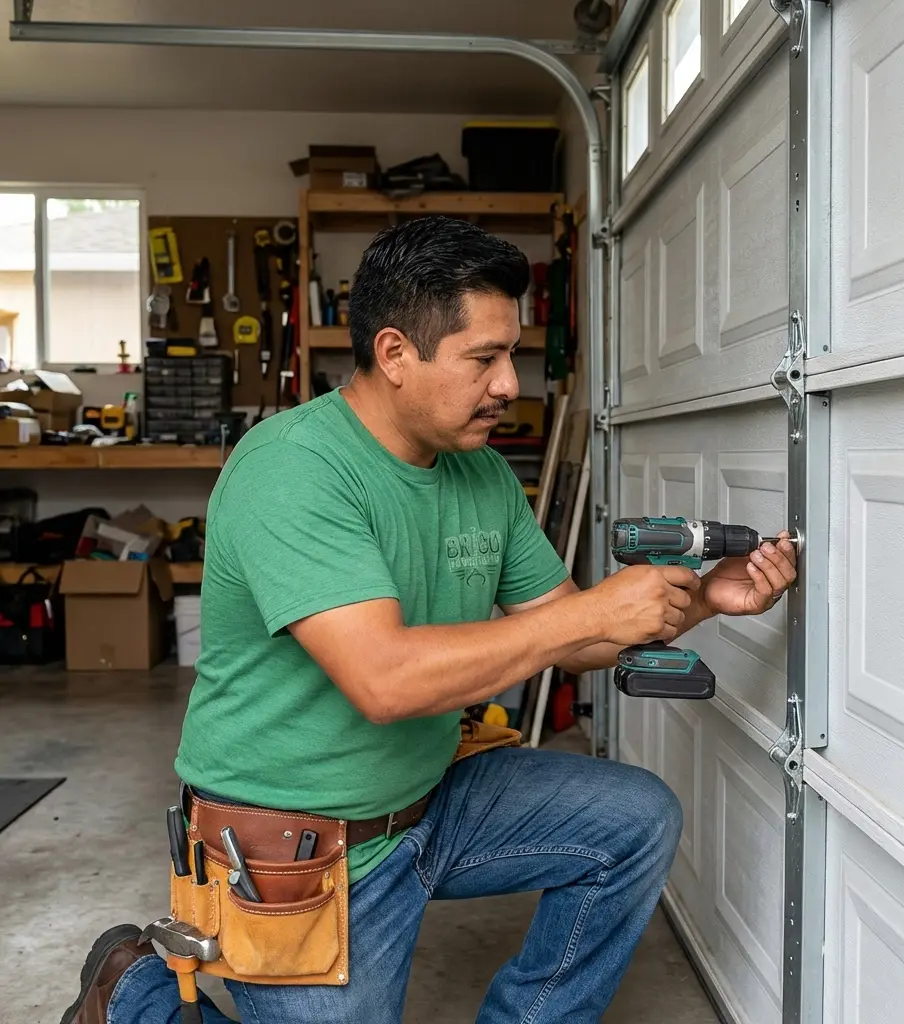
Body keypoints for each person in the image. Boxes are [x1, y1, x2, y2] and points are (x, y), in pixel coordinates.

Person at [62, 216, 796, 1024]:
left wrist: (702, 599)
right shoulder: (294, 470)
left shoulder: (478, 473)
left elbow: (576, 637)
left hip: (429, 800)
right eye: (484, 358)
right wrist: (594, 607)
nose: (510, 384)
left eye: (511, 354)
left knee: (633, 820)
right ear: (394, 354)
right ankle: (136, 994)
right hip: (300, 847)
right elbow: (384, 680)